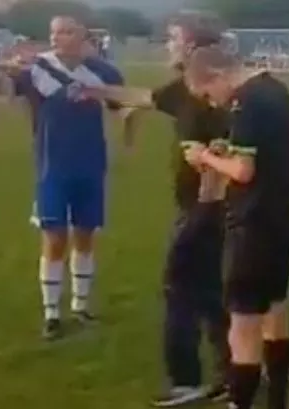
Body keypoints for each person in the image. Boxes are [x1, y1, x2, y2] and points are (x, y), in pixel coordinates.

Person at [81, 11, 232, 407]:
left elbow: (229, 154)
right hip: (198, 206)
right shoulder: (182, 88)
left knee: (180, 287)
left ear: (192, 46)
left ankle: (187, 381)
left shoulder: (212, 95)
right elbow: (143, 97)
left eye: (173, 38)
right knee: (210, 291)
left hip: (207, 208)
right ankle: (236, 370)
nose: (168, 45)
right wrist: (95, 91)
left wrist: (204, 208)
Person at [183, 45, 289, 409]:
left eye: (207, 93)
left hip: (251, 224)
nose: (212, 102)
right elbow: (266, 152)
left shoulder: (246, 102)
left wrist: (204, 156)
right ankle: (277, 401)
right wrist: (229, 149)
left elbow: (244, 172)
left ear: (218, 75)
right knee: (275, 312)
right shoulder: (276, 89)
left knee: (243, 325)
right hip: (281, 218)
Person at [11, 15, 134, 340]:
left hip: (90, 163)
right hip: (52, 165)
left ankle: (81, 306)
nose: (57, 37)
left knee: (85, 234)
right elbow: (4, 91)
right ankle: (52, 313)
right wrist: (2, 73)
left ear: (83, 37)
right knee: (54, 238)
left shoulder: (103, 72)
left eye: (66, 32)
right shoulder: (36, 69)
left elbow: (121, 105)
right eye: (54, 32)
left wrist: (129, 126)